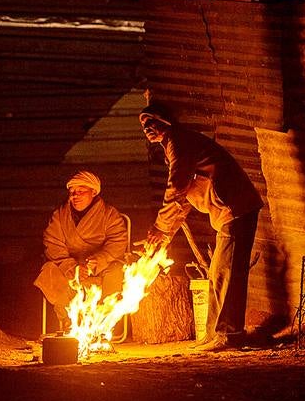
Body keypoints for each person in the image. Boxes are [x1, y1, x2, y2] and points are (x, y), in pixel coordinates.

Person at [139, 103, 263, 352]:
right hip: (228, 211)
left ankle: (229, 334)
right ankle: (215, 334)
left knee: (227, 273)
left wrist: (160, 227)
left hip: (236, 208)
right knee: (218, 272)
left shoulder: (179, 142)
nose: (148, 128)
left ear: (166, 122)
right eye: (144, 125)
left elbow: (176, 189)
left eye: (152, 121)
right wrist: (163, 235)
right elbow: (183, 199)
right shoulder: (175, 146)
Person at [33, 170, 128, 334]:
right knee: (48, 271)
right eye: (72, 193)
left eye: (80, 192)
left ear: (93, 192)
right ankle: (69, 322)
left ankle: (103, 325)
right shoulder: (59, 216)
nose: (74, 196)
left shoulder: (109, 214)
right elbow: (52, 243)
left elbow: (118, 242)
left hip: (100, 266)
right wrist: (73, 268)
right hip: (69, 265)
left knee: (116, 271)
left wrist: (99, 260)